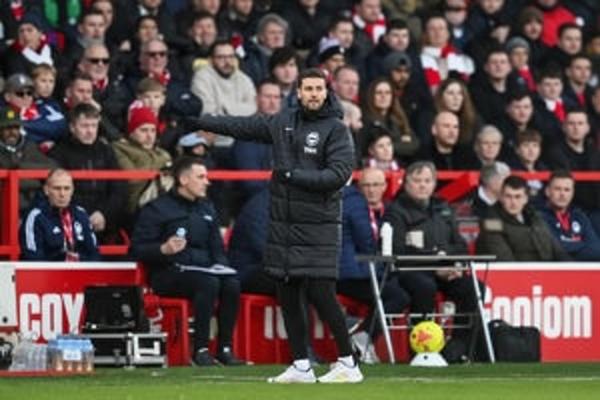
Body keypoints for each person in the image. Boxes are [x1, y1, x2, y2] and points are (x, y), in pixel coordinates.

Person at [187, 68, 363, 383]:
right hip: (284, 226)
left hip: (319, 226)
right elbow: (243, 126)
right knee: (288, 292)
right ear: (298, 92)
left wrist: (294, 176)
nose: (313, 94)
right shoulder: (283, 122)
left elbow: (338, 174)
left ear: (326, 92)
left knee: (322, 293)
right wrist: (203, 121)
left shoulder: (336, 129)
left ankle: (348, 362)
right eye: (308, 89)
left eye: (318, 89)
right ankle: (301, 365)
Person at [130, 156, 244, 367]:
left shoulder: (207, 208)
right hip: (168, 273)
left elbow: (217, 248)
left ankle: (224, 349)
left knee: (232, 284)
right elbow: (136, 249)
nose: (207, 182)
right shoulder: (156, 209)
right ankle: (200, 349)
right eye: (201, 177)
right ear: (183, 180)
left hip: (204, 270)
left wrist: (222, 266)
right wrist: (163, 249)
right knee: (208, 283)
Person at [382, 161, 481, 363]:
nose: (422, 185)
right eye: (417, 180)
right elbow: (398, 252)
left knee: (474, 287)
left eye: (427, 181)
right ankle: (420, 351)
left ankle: (458, 350)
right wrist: (435, 265)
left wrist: (454, 265)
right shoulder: (396, 211)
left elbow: (460, 247)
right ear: (406, 183)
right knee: (424, 287)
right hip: (410, 272)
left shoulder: (443, 208)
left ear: (434, 183)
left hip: (445, 271)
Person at [476, 175, 570, 261]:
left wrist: (572, 269)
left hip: (545, 271)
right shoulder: (491, 222)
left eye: (518, 197)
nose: (513, 202)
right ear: (501, 198)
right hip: (515, 272)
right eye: (508, 196)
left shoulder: (535, 217)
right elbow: (505, 262)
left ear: (525, 199)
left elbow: (557, 250)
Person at [20, 169, 99, 261]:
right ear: (46, 190)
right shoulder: (35, 217)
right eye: (57, 188)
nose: (62, 194)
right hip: (48, 270)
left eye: (67, 188)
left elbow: (95, 255)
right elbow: (33, 258)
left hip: (80, 269)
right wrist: (63, 260)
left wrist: (77, 259)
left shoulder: (81, 214)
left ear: (72, 190)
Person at [540, 170, 600, 261]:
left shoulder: (579, 216)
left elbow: (596, 248)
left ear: (572, 193)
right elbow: (555, 248)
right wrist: (582, 244)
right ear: (547, 191)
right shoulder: (538, 217)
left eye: (567, 190)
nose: (562, 194)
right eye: (557, 189)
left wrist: (572, 247)